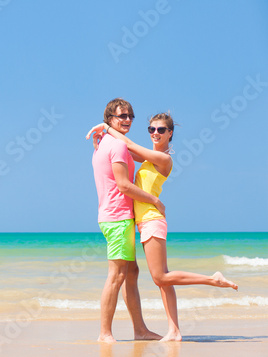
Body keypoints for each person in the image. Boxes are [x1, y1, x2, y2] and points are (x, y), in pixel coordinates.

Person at [86, 111, 238, 342]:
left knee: (160, 277)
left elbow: (126, 143)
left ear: (170, 133)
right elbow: (123, 150)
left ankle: (213, 279)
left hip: (151, 220)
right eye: (151, 129)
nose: (155, 133)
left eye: (161, 130)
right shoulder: (149, 158)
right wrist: (104, 139)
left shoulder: (164, 159)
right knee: (161, 278)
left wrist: (105, 127)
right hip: (143, 222)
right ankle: (174, 331)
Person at [88, 98, 164, 343]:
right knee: (117, 275)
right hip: (118, 217)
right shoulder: (117, 147)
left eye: (130, 115)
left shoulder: (105, 144)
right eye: (122, 116)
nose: (128, 120)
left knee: (131, 272)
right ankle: (104, 333)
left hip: (114, 216)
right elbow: (123, 185)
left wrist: (106, 130)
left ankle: (140, 330)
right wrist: (154, 200)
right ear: (110, 118)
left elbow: (140, 156)